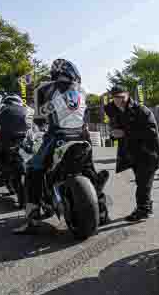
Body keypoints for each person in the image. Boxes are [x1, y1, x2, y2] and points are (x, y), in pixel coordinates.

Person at [13, 59, 109, 234]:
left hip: (57, 137)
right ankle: (102, 211)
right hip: (81, 137)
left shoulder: (44, 88)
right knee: (89, 171)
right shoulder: (83, 90)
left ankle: (32, 217)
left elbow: (39, 119)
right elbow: (83, 114)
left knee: (33, 170)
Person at [105, 84, 159, 222]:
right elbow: (116, 129)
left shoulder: (141, 110)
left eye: (121, 97)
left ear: (127, 95)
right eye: (115, 98)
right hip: (134, 153)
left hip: (149, 152)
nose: (118, 100)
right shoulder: (115, 111)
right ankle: (146, 207)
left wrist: (125, 133)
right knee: (141, 181)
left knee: (143, 183)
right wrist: (114, 134)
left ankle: (143, 210)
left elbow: (151, 132)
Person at [0, 95, 29, 196]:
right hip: (26, 139)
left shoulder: (1, 110)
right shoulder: (27, 109)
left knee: (3, 160)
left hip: (9, 141)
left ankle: (4, 175)